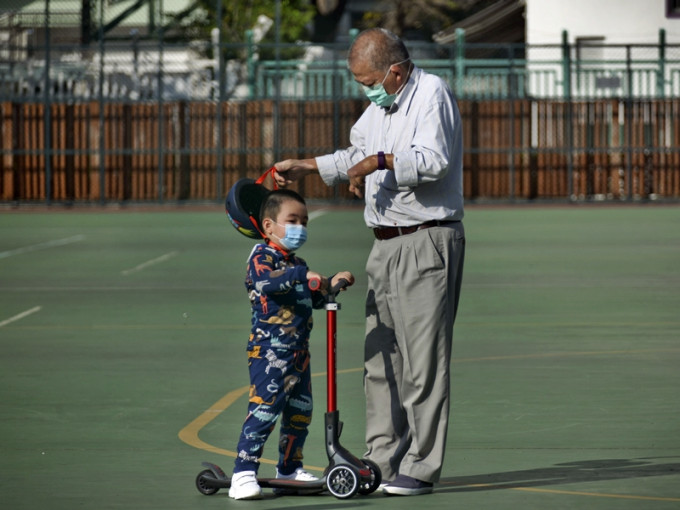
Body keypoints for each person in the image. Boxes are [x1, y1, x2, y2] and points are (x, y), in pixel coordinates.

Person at [273, 28, 465, 496]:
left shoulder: (431, 95)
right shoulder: (380, 107)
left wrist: (376, 162)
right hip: (384, 243)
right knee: (381, 360)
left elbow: (433, 160)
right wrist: (307, 166)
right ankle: (380, 459)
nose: (366, 90)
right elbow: (355, 155)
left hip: (425, 240)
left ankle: (420, 467)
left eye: (368, 81)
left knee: (423, 363)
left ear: (395, 71)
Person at [229, 188, 355, 500]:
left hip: (299, 353)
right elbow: (268, 282)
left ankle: (288, 467)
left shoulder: (297, 261)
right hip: (270, 352)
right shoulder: (261, 258)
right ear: (269, 226)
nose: (300, 227)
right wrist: (302, 274)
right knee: (265, 410)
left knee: (300, 413)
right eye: (292, 220)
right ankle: (242, 472)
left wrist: (330, 284)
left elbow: (309, 296)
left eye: (305, 221)